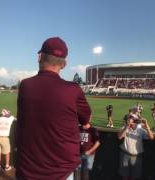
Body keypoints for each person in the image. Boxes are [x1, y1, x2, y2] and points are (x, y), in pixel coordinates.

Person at [16, 37, 91, 180]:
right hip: (61, 171)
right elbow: (86, 120)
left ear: (39, 57)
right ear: (64, 64)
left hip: (28, 170)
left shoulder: (25, 86)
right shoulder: (73, 90)